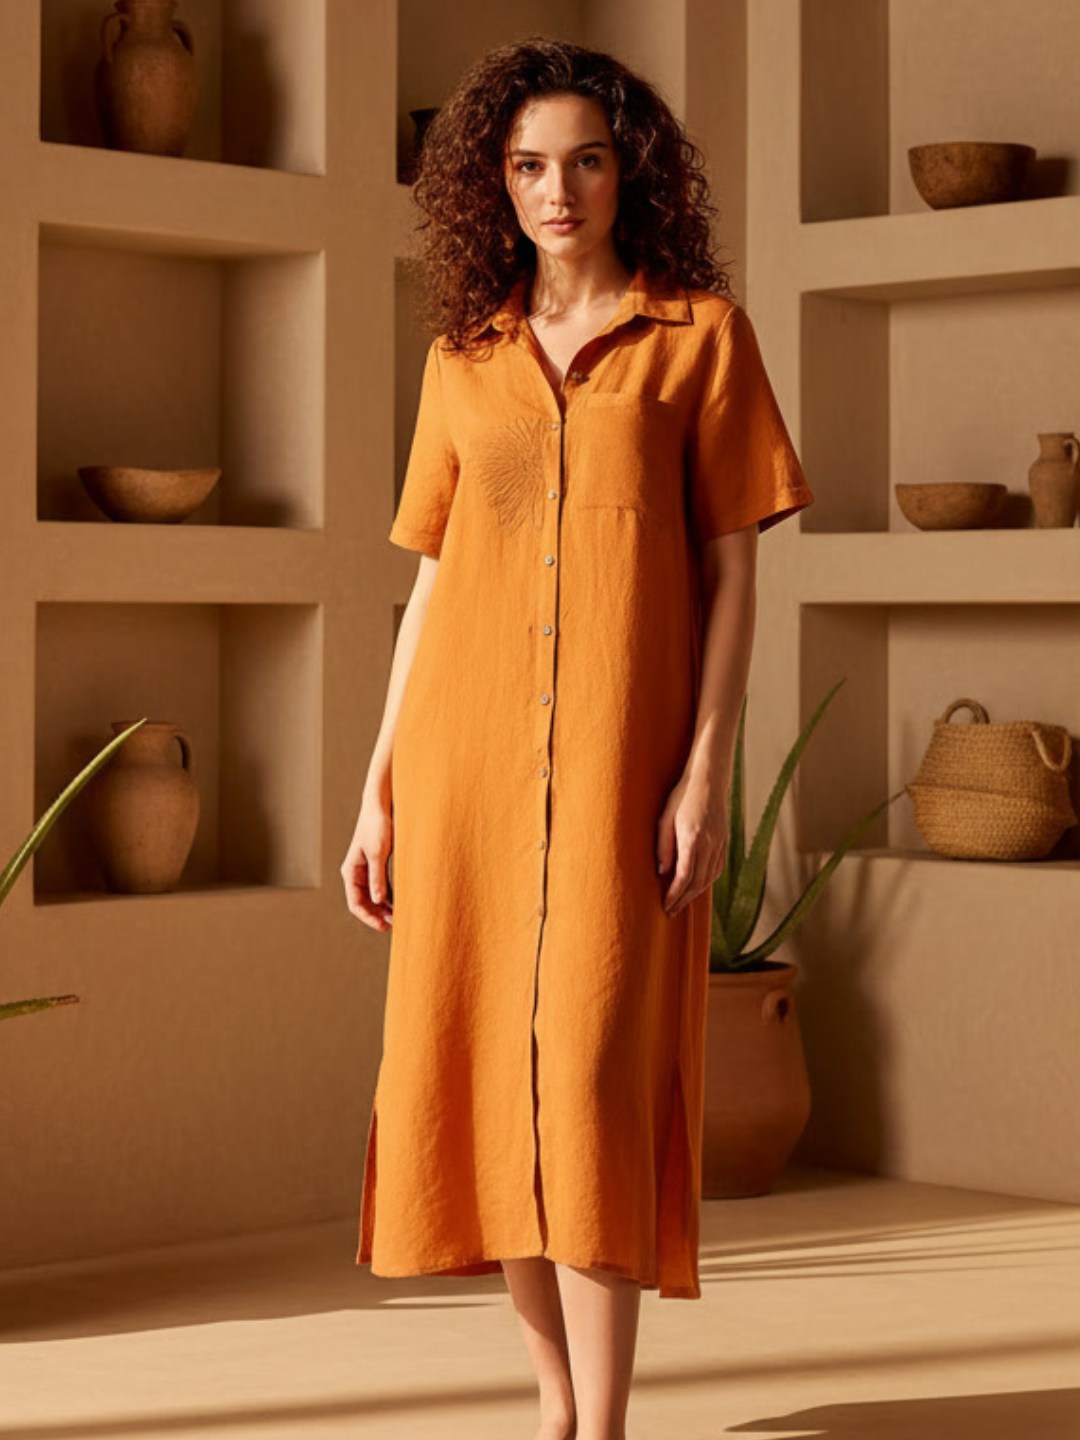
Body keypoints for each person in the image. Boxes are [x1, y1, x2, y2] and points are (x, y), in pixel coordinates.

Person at [341, 35, 814, 1440]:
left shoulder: (700, 340)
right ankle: (557, 1403)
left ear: (630, 172)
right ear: (497, 182)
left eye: (587, 161)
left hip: (623, 772)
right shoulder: (461, 363)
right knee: (487, 1083)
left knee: (595, 1081)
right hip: (464, 772)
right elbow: (427, 590)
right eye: (531, 165)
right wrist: (377, 794)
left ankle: (603, 1424)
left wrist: (708, 767)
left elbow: (734, 572)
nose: (560, 190)